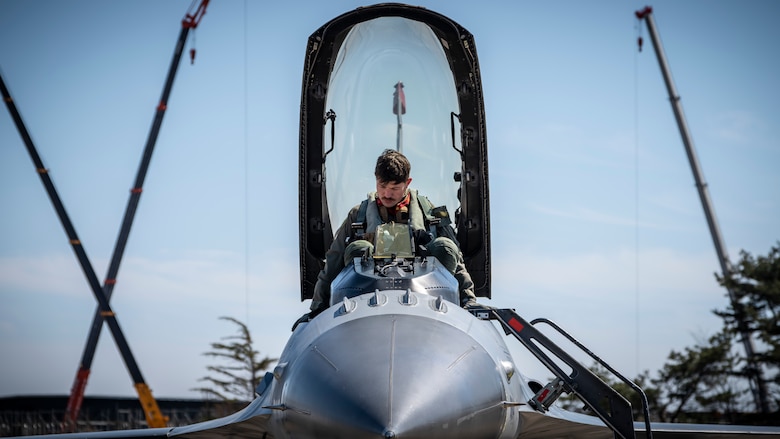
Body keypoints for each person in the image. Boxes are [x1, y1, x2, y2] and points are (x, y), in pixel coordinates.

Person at [307, 149, 477, 317]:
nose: (387, 194)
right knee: (358, 248)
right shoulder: (358, 216)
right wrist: (317, 308)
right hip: (364, 306)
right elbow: (334, 260)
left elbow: (456, 260)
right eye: (382, 186)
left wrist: (469, 301)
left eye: (395, 188)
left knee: (444, 247)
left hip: (427, 302)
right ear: (375, 180)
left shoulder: (430, 214)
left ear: (407, 183)